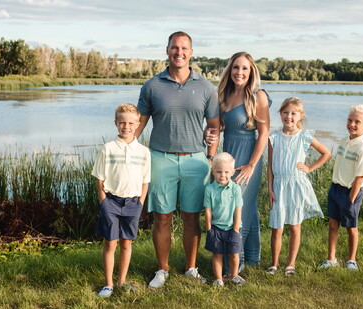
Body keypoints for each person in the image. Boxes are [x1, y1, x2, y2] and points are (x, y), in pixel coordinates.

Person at [135, 31, 220, 288]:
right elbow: (137, 126)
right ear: (167, 50)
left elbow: (214, 127)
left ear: (191, 52)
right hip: (160, 158)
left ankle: (191, 267)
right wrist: (124, 153)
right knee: (161, 217)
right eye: (175, 47)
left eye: (184, 48)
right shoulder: (151, 86)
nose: (179, 52)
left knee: (192, 217)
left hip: (195, 160)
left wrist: (210, 159)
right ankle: (162, 269)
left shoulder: (205, 87)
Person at [205, 51, 270, 272]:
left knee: (238, 208)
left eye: (244, 68)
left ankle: (234, 264)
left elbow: (264, 133)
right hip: (230, 157)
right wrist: (209, 138)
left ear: (251, 71)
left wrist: (252, 164)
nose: (239, 72)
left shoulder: (258, 95)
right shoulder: (224, 95)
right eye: (235, 67)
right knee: (248, 207)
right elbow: (217, 128)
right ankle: (252, 258)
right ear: (229, 70)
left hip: (249, 158)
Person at [266, 97, 332, 276]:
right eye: (285, 112)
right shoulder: (273, 137)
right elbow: (270, 166)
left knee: (295, 226)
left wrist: (310, 168)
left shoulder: (305, 136)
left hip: (296, 185)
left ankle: (291, 264)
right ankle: (274, 263)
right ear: (280, 114)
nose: (289, 116)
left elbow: (326, 153)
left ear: (300, 115)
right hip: (279, 185)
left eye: (293, 113)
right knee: (277, 227)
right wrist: (270, 188)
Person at [91, 104, 150, 297]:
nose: (126, 126)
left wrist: (140, 202)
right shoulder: (107, 149)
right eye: (122, 122)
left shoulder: (143, 152)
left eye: (131, 123)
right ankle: (108, 285)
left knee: (127, 243)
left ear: (138, 124)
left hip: (133, 204)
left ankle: (121, 281)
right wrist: (103, 202)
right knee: (110, 243)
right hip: (111, 202)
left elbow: (145, 180)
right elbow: (99, 179)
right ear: (116, 123)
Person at [319, 104, 363, 271]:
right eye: (350, 120)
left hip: (351, 192)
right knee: (333, 224)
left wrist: (350, 199)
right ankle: (331, 258)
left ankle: (351, 259)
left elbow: (360, 177)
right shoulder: (344, 141)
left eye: (357, 122)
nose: (352, 124)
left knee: (351, 227)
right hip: (335, 188)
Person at [204, 152, 246, 286]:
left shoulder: (235, 188)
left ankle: (234, 275)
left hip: (232, 228)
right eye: (219, 172)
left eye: (227, 172)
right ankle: (218, 279)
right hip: (216, 228)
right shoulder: (209, 189)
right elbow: (208, 210)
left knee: (234, 254)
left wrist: (235, 228)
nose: (223, 175)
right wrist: (209, 228)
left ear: (233, 172)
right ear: (212, 171)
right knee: (217, 254)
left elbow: (238, 209)